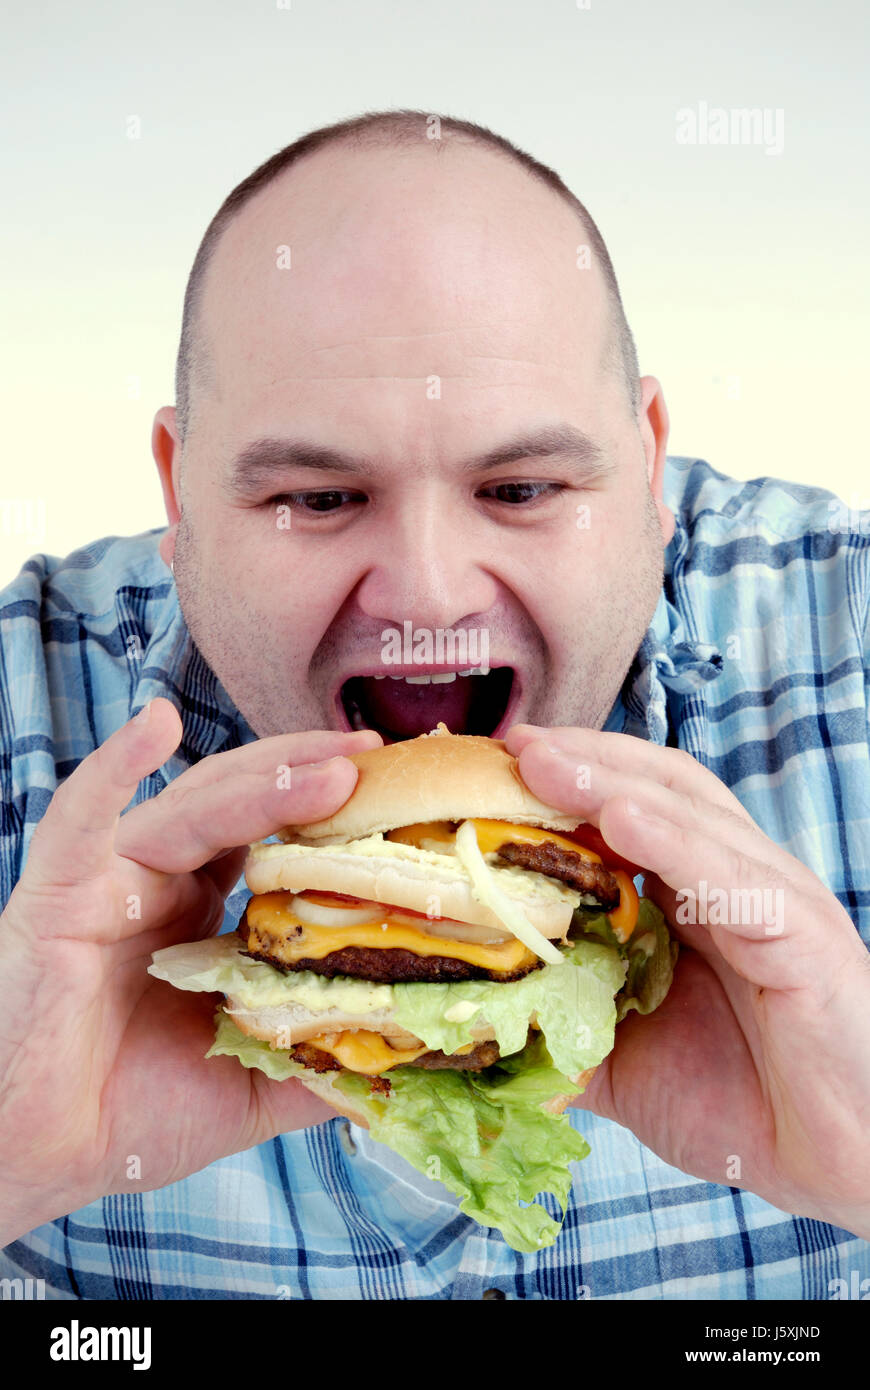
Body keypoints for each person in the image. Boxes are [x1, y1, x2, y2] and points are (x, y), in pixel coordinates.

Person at [0, 109, 868, 1301]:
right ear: (180, 489)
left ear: (648, 463)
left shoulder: (846, 635)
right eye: (317, 497)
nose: (425, 594)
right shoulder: (22, 697)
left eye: (521, 487)